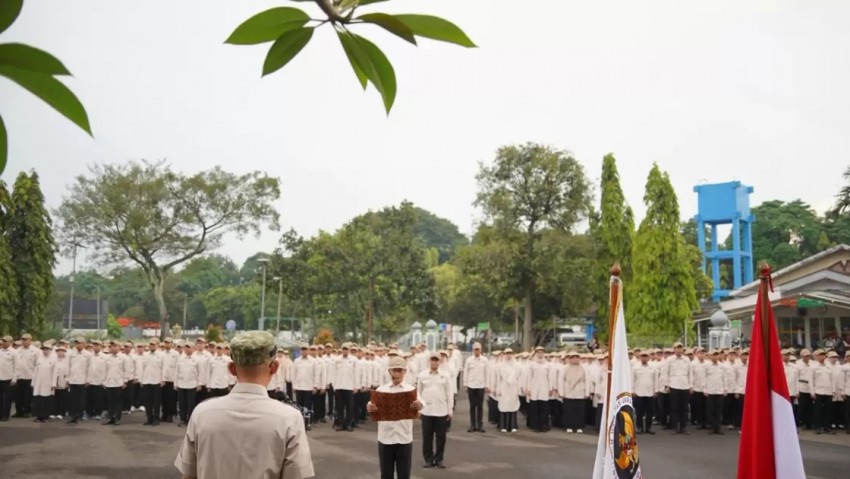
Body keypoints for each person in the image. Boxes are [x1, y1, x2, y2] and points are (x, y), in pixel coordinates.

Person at [174, 331, 314, 479]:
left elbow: (188, 475)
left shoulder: (201, 413)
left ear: (232, 369)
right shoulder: (289, 418)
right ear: (274, 367)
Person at [367, 355, 424, 479]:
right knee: (386, 474)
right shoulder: (381, 390)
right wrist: (369, 407)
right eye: (394, 370)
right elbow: (371, 403)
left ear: (405, 372)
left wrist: (419, 405)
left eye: (400, 370)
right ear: (389, 371)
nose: (397, 374)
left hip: (404, 438)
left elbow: (421, 403)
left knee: (404, 474)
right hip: (385, 438)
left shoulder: (411, 390)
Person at [416, 351, 453, 469]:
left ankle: (439, 459)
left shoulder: (445, 375)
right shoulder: (422, 375)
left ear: (440, 361)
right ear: (429, 361)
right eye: (432, 360)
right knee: (427, 437)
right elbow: (418, 393)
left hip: (441, 410)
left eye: (436, 360)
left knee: (441, 437)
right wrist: (419, 409)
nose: (434, 362)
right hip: (427, 410)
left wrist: (450, 410)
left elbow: (449, 393)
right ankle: (428, 459)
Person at [664, 342, 693, 435]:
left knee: (684, 408)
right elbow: (666, 373)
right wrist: (666, 385)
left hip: (685, 386)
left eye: (680, 348)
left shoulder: (687, 359)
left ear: (682, 349)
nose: (678, 350)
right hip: (674, 386)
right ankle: (674, 427)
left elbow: (690, 373)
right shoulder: (669, 360)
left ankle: (683, 427)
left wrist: (691, 385)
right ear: (674, 349)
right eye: (677, 348)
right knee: (674, 408)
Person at [462, 342, 488, 433]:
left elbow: (487, 373)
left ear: (481, 350)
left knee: (480, 406)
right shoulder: (469, 360)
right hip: (471, 385)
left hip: (481, 385)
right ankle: (472, 425)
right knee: (472, 406)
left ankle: (480, 425)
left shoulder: (484, 360)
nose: (476, 351)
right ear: (473, 350)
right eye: (475, 349)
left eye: (478, 349)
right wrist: (465, 383)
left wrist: (487, 385)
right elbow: (465, 372)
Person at [495, 348, 521, 433]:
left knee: (513, 405)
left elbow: (519, 378)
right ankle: (503, 426)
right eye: (507, 353)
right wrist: (498, 389)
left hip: (513, 387)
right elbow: (498, 379)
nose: (508, 355)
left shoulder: (516, 365)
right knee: (504, 405)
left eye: (510, 353)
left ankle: (513, 426)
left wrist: (519, 389)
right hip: (504, 387)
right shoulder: (500, 365)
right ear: (505, 355)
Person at [332, 343, 357, 431]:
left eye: (346, 349)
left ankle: (349, 424)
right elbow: (333, 373)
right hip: (339, 386)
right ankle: (340, 424)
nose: (345, 351)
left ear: (349, 350)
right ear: (341, 350)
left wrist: (356, 386)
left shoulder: (354, 360)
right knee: (340, 407)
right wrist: (334, 385)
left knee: (350, 407)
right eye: (343, 349)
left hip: (349, 386)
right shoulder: (337, 359)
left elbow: (356, 374)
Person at [140, 338, 165, 426]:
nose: (151, 346)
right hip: (147, 380)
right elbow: (142, 368)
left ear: (157, 345)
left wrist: (163, 379)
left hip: (157, 381)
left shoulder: (161, 355)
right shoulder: (145, 355)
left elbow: (163, 368)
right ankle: (149, 418)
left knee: (156, 402)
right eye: (150, 344)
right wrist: (141, 379)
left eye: (153, 344)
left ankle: (156, 418)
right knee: (147, 402)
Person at [176, 340, 200, 427]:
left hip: (192, 384)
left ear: (193, 349)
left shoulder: (197, 359)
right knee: (182, 403)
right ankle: (182, 419)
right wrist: (176, 384)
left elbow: (200, 372)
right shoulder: (181, 358)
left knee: (191, 404)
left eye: (188, 347)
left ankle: (190, 419)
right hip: (181, 383)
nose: (186, 349)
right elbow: (177, 372)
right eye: (185, 347)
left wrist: (199, 384)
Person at [13, 333, 38, 418]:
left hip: (30, 376)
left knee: (28, 396)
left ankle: (27, 411)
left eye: (26, 340)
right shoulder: (18, 350)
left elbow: (37, 364)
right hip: (19, 376)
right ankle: (19, 411)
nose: (24, 342)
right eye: (23, 340)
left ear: (30, 340)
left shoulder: (35, 351)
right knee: (18, 396)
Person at [632, 351, 656, 434]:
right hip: (639, 392)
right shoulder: (635, 367)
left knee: (649, 412)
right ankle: (639, 427)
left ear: (648, 357)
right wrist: (632, 391)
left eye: (646, 356)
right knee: (639, 412)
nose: (644, 358)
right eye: (642, 356)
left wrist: (655, 390)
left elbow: (655, 380)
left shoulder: (652, 367)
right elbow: (632, 380)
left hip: (650, 392)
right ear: (640, 357)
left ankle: (648, 428)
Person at [103, 340, 126, 425]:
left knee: (118, 402)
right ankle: (111, 418)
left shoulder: (123, 358)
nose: (113, 348)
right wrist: (104, 381)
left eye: (115, 346)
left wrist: (125, 381)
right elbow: (105, 370)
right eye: (112, 346)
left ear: (119, 347)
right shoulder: (108, 358)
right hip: (109, 382)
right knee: (110, 401)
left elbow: (126, 370)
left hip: (119, 382)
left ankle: (117, 418)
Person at [32, 344, 56, 423]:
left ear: (50, 350)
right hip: (38, 381)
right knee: (38, 399)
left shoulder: (53, 360)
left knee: (46, 399)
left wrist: (53, 384)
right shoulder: (39, 359)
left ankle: (45, 416)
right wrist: (33, 382)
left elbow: (54, 373)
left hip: (48, 382)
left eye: (47, 349)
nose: (45, 351)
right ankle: (39, 416)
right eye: (44, 349)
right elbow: (35, 371)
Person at [703, 350, 726, 435]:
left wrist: (725, 389)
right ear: (710, 356)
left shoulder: (722, 366)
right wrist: (704, 389)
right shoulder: (707, 366)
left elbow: (724, 378)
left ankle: (718, 427)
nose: (715, 357)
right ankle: (712, 427)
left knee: (718, 410)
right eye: (713, 355)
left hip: (719, 391)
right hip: (710, 391)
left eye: (716, 355)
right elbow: (704, 378)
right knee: (710, 410)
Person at [0, 335, 14, 421]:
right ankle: (1, 414)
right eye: (3, 341)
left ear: (10, 342)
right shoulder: (0, 351)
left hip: (8, 378)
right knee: (0, 397)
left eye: (5, 341)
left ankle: (6, 415)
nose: (3, 343)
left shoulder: (14, 352)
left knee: (7, 398)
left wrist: (15, 378)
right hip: (0, 377)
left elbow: (17, 366)